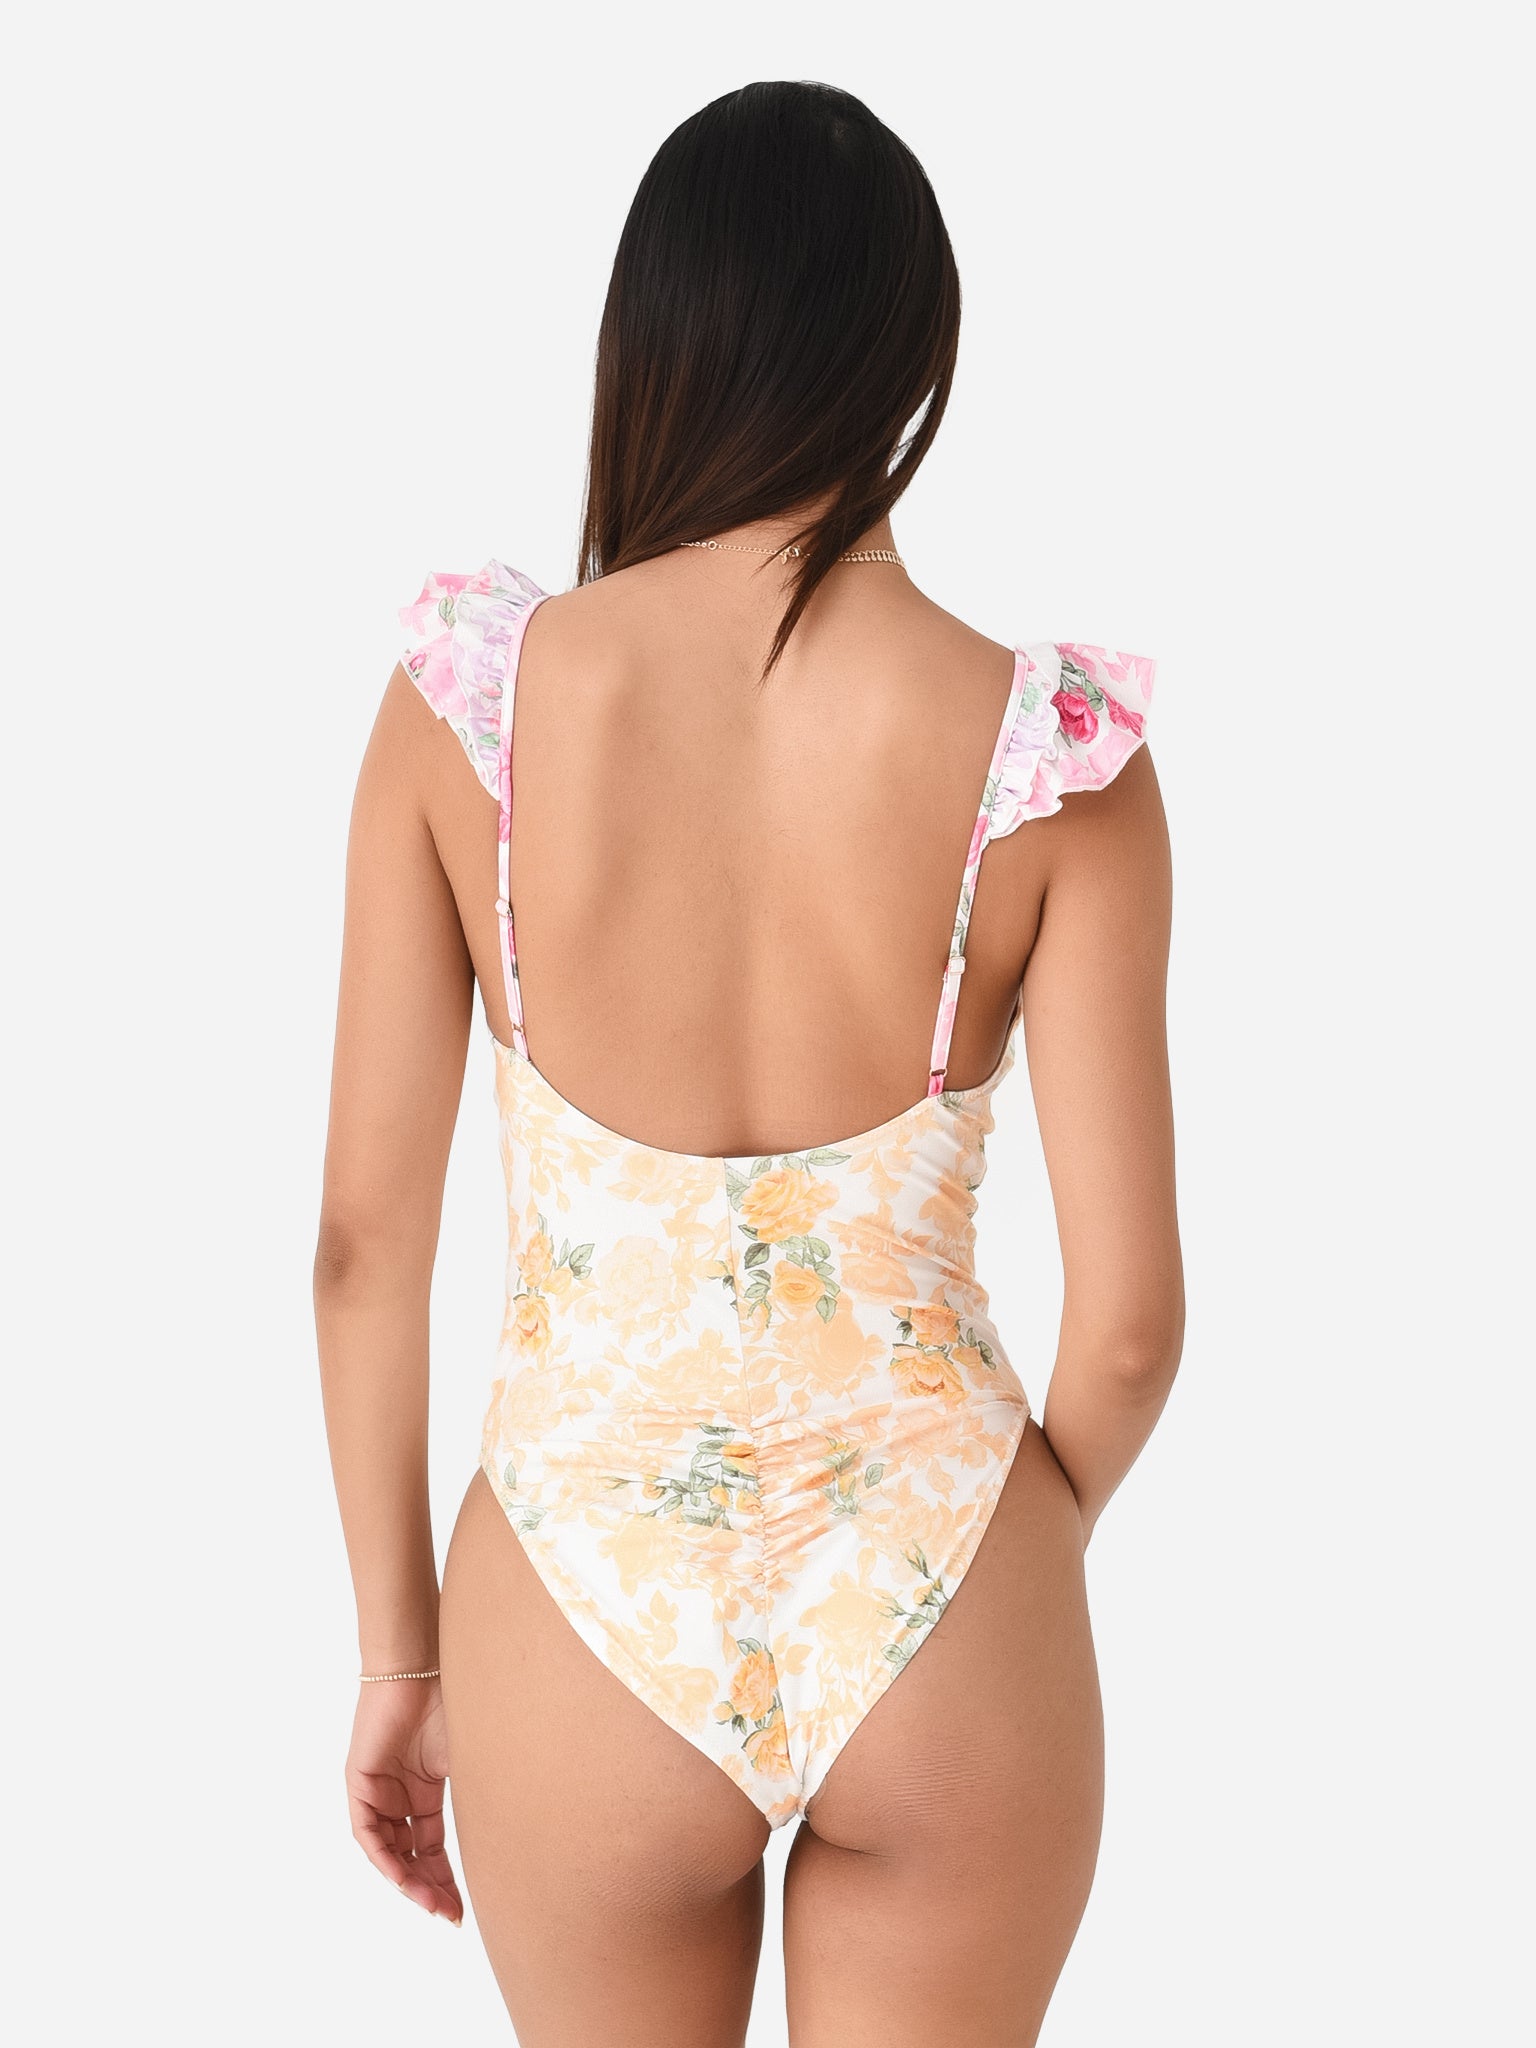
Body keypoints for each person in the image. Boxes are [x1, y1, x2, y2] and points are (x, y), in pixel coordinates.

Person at [314, 78, 1183, 2048]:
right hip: (946, 1570)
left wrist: (399, 1655)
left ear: (652, 335)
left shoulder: (470, 712)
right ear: (915, 355)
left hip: (577, 1588)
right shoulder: (1051, 759)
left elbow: (364, 1246)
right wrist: (996, 1559)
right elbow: (1132, 1328)